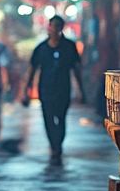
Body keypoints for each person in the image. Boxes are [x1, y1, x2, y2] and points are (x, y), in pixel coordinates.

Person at [24, 16, 85, 162]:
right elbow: (32, 70)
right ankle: (54, 146)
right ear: (49, 27)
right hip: (45, 90)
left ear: (61, 28)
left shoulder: (69, 47)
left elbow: (76, 70)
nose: (55, 29)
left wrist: (81, 91)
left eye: (58, 26)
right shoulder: (41, 49)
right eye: (53, 26)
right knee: (48, 119)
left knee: (61, 118)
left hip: (63, 90)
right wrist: (27, 89)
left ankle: (58, 144)